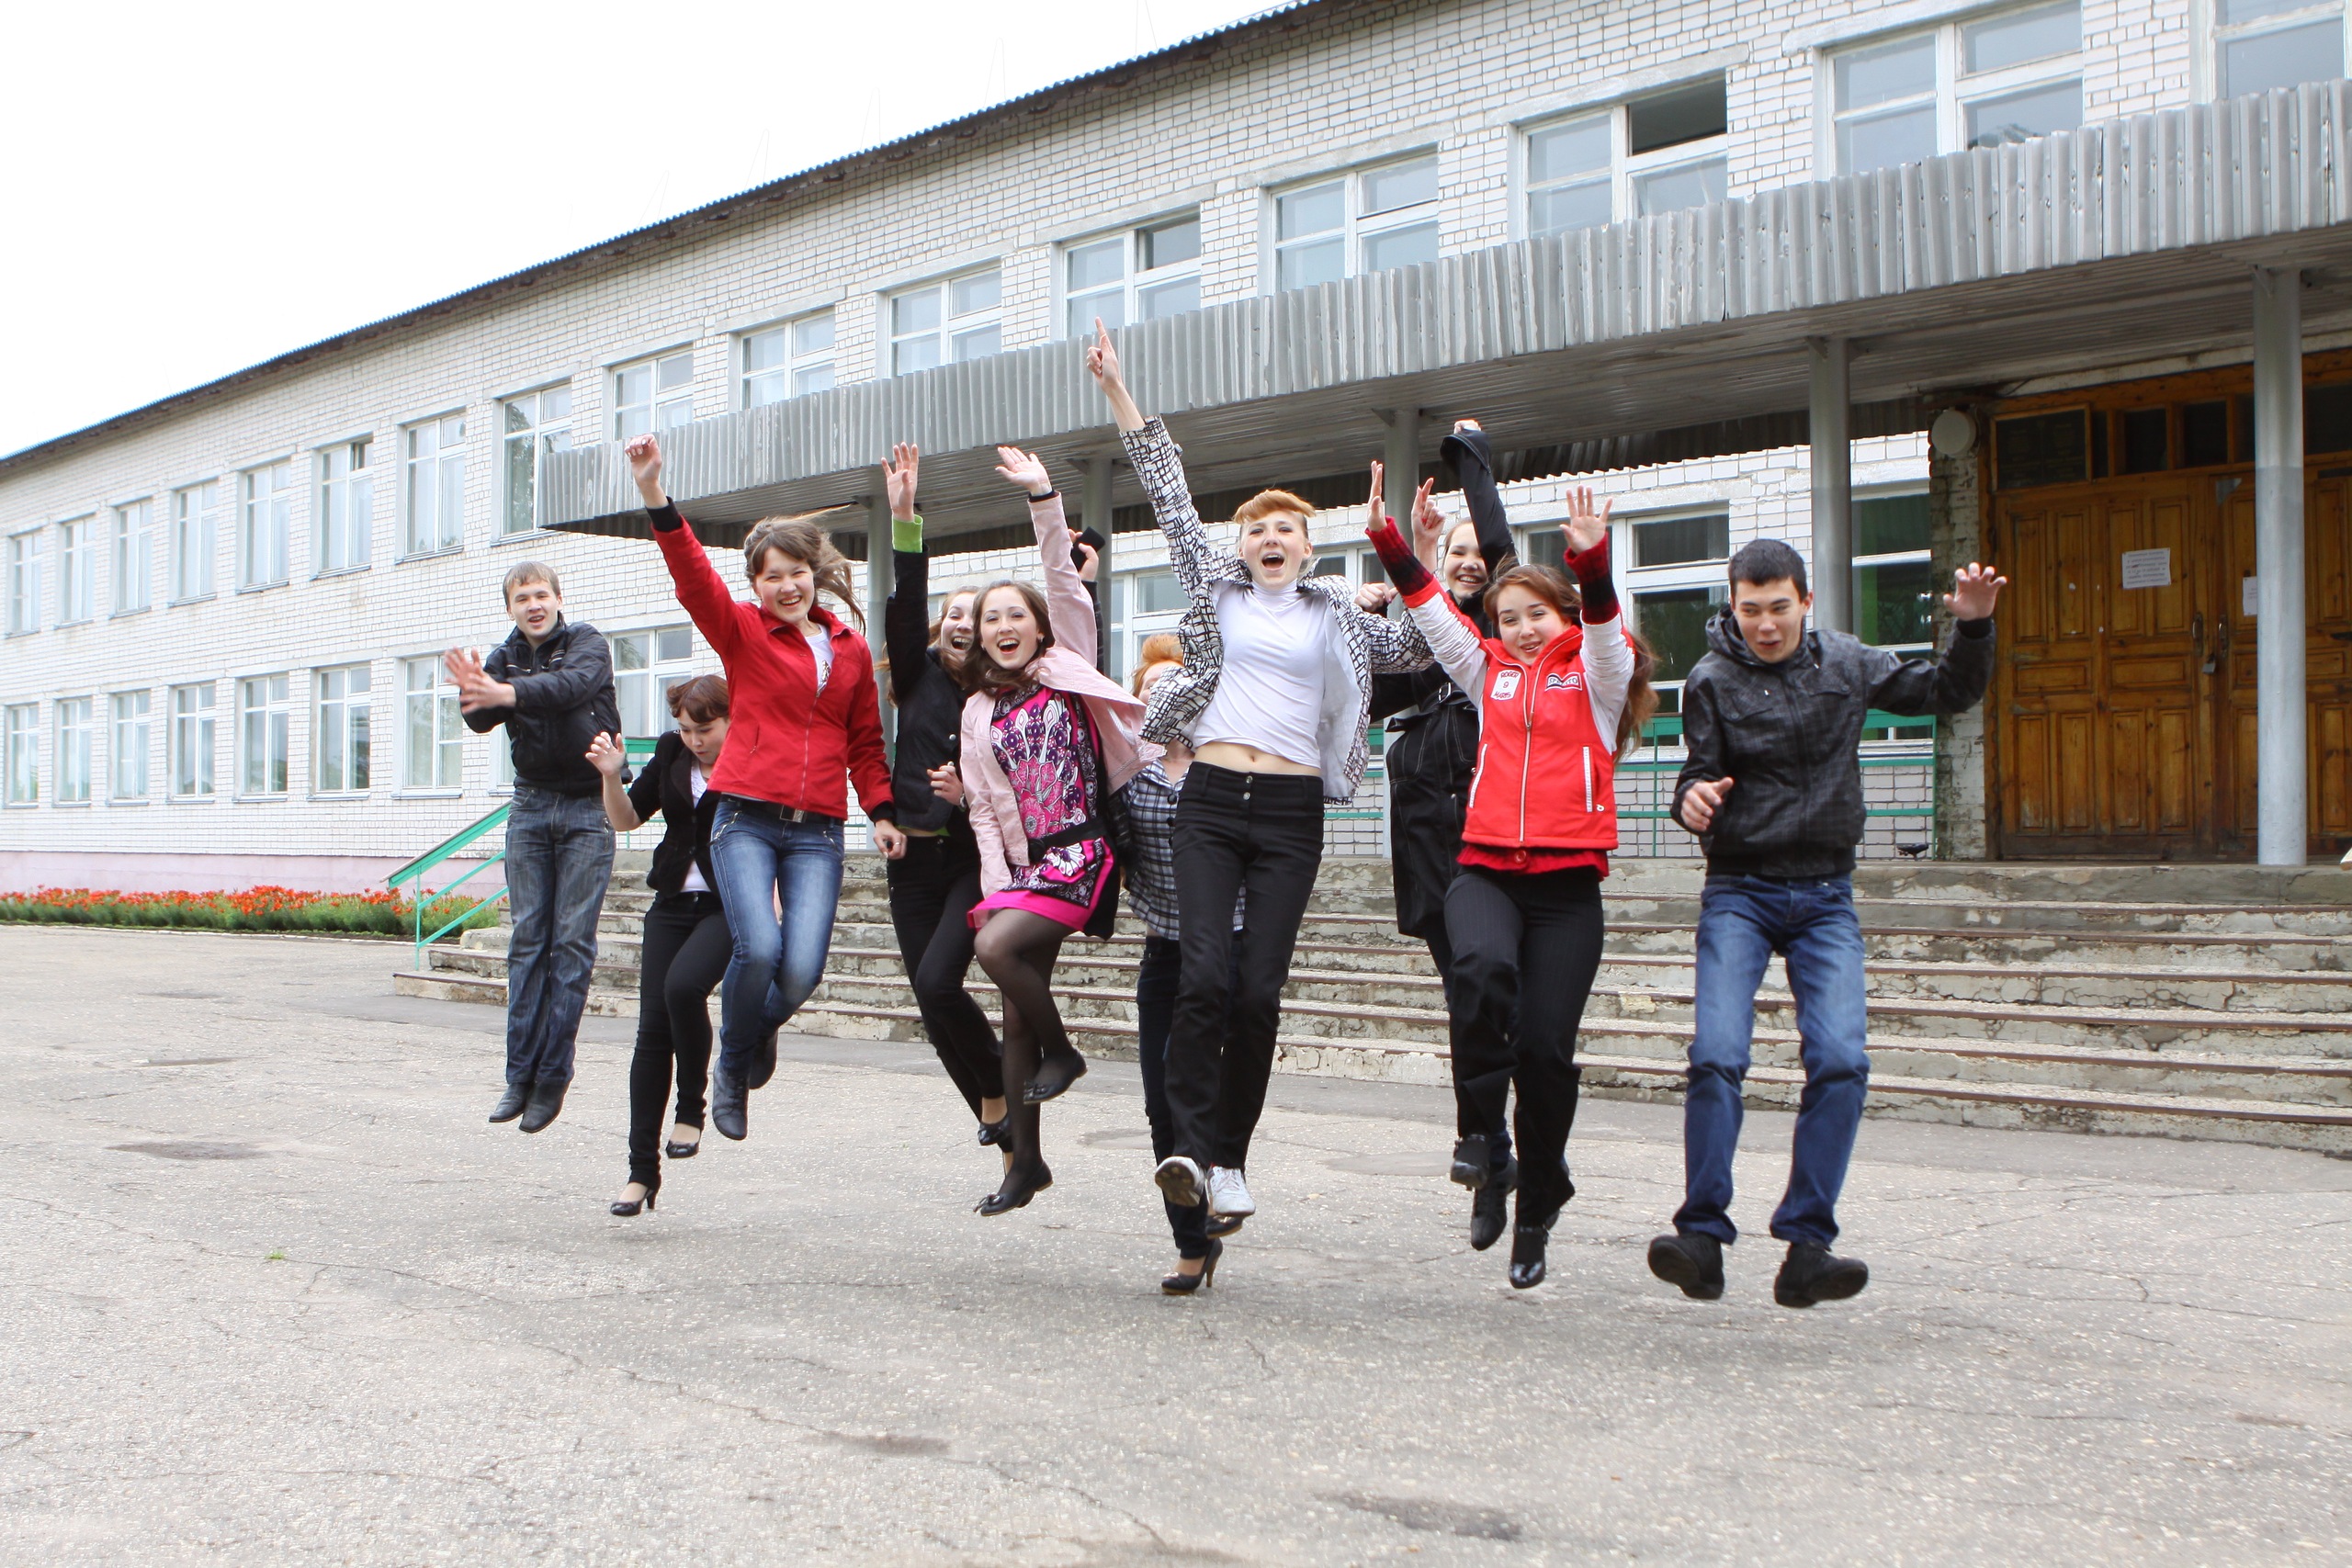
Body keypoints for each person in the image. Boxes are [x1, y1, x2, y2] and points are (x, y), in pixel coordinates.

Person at [1086, 321, 1430, 1225]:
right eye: (1256, 528)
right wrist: (1118, 389)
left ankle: (1229, 1159)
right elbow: (1168, 491)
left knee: (1256, 989)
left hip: (1288, 810)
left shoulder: (1337, 616)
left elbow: (1418, 646)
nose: (1269, 537)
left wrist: (1418, 555)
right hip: (1208, 801)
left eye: (1285, 529)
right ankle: (1187, 1151)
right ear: (1240, 546)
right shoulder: (1217, 592)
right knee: (1201, 974)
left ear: (1308, 550)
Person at [1647, 540, 2003, 1308]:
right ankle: (1701, 1237)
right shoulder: (1710, 678)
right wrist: (1691, 800)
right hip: (1739, 890)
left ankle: (1808, 1246)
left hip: (1824, 895)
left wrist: (1973, 627)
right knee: (1716, 1054)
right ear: (1733, 607)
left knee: (1841, 1061)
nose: (1766, 625)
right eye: (1751, 610)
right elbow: (1697, 773)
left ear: (1806, 602)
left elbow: (1947, 690)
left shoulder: (1848, 662)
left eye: (1780, 607)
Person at [1372, 484, 1650, 1288]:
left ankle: (1539, 1199)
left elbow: (1606, 630)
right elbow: (1433, 614)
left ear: (1563, 617)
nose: (1523, 629)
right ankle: (1483, 1139)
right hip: (1485, 869)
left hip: (1566, 888)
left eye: (1537, 615)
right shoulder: (1484, 673)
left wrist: (1592, 561)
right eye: (1508, 618)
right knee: (1480, 971)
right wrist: (1392, 542)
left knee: (1545, 1052)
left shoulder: (1598, 679)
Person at [622, 433, 904, 1145]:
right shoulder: (742, 633)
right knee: (760, 947)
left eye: (796, 572)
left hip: (817, 830)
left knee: (801, 969)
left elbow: (866, 744)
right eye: (771, 576)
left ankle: (751, 1029)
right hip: (744, 819)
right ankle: (729, 1074)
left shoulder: (849, 651)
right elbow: (693, 577)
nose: (786, 585)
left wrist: (880, 809)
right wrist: (655, 492)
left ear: (815, 574)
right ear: (755, 585)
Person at [959, 446, 1155, 1216]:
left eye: (1017, 614)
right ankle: (1027, 1165)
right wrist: (997, 886)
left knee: (993, 950)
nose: (1004, 626)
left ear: (1039, 627)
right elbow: (982, 808)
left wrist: (1043, 497)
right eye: (991, 619)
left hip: (1085, 850)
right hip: (1028, 867)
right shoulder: (978, 711)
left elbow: (1064, 579)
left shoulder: (1066, 663)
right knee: (1012, 1006)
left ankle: (1066, 1051)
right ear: (979, 637)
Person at [1361, 417, 1520, 1250]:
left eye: (1474, 552)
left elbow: (1502, 552)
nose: (1468, 562)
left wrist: (1472, 464)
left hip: (1499, 828)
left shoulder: (1506, 627)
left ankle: (1495, 1145)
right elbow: (1361, 695)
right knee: (1466, 996)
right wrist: (1380, 599)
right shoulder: (1416, 630)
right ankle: (1488, 1150)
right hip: (1426, 829)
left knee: (1495, 995)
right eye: (1453, 552)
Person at [447, 562, 620, 1136]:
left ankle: (552, 1076)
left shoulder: (587, 643)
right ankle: (518, 1075)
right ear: (510, 608)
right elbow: (481, 721)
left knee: (570, 944)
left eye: (541, 594)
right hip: (530, 806)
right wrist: (474, 692)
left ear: (558, 598)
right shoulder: (505, 657)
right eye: (522, 598)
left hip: (587, 808)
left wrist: (504, 691)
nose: (533, 605)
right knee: (527, 943)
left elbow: (569, 688)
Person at [877, 442, 1010, 1158]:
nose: (963, 622)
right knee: (932, 1004)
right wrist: (906, 521)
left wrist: (962, 798)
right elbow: (905, 605)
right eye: (955, 613)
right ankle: (1000, 1118)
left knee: (937, 979)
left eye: (975, 615)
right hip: (909, 863)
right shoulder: (915, 677)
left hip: (968, 860)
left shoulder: (996, 696)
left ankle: (998, 1089)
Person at [1123, 638, 1248, 1293]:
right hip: (1163, 949)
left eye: (1179, 683)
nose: (1166, 695)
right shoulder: (1127, 770)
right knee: (1159, 1105)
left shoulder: (1227, 761)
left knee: (1196, 1085)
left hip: (1227, 944)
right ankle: (1192, 1243)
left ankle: (1222, 1187)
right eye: (1153, 687)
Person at [585, 675, 732, 1217]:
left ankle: (691, 1108)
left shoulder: (753, 756)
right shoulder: (672, 752)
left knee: (683, 988)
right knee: (651, 1034)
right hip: (671, 902)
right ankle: (641, 1172)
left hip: (726, 903)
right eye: (686, 729)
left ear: (732, 720)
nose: (695, 740)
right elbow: (626, 819)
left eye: (705, 730)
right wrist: (610, 776)